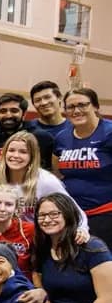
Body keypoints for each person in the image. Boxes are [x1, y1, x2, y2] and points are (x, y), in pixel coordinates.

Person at [0, 131, 88, 231]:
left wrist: (82, 229)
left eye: (23, 152)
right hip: (6, 236)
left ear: (32, 157)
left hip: (39, 237)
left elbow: (74, 210)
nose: (15, 156)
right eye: (11, 150)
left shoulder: (47, 181)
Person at [55, 88, 112, 245]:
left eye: (82, 105)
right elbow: (57, 173)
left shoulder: (109, 132)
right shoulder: (62, 137)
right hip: (73, 216)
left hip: (105, 213)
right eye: (70, 107)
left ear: (95, 106)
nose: (76, 111)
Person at [0, 93, 55, 175]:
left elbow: (49, 171)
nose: (8, 115)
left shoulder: (42, 138)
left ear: (24, 114)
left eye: (14, 111)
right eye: (3, 111)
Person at [0, 185, 35, 278]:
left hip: (21, 286)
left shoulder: (29, 230)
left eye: (9, 204)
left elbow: (38, 265)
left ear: (16, 208)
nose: (2, 209)